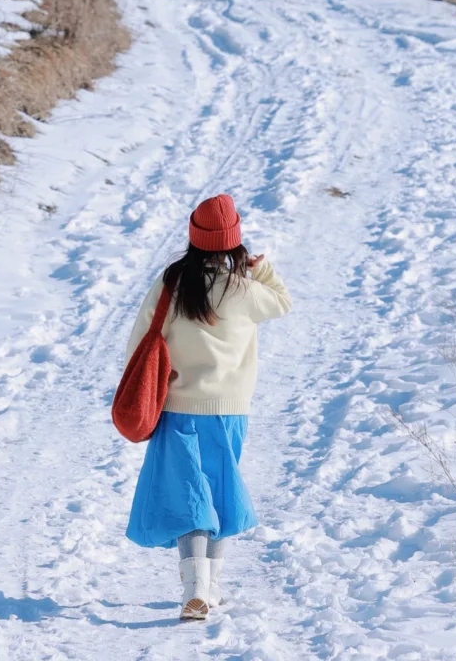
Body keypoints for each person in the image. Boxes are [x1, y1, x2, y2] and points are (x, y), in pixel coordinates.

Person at [123, 193, 291, 621]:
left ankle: (194, 588)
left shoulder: (171, 285)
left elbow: (140, 342)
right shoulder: (245, 290)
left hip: (178, 409)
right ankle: (212, 587)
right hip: (230, 411)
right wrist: (260, 267)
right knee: (218, 493)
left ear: (194, 241)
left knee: (189, 496)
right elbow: (283, 301)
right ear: (235, 243)